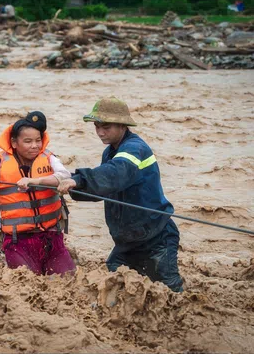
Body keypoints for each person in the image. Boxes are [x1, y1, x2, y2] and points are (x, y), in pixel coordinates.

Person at [57, 96, 183, 292]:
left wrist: (79, 180)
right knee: (114, 285)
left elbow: (114, 175)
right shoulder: (110, 152)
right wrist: (74, 186)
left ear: (123, 125)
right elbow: (104, 188)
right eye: (97, 126)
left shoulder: (134, 149)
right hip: (128, 241)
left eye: (106, 127)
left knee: (169, 293)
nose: (100, 132)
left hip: (156, 237)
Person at [0, 111, 76, 276]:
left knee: (69, 280)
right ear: (14, 143)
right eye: (28, 141)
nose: (35, 146)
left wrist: (34, 181)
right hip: (18, 242)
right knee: (26, 282)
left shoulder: (49, 159)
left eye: (38, 140)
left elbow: (64, 176)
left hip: (52, 239)